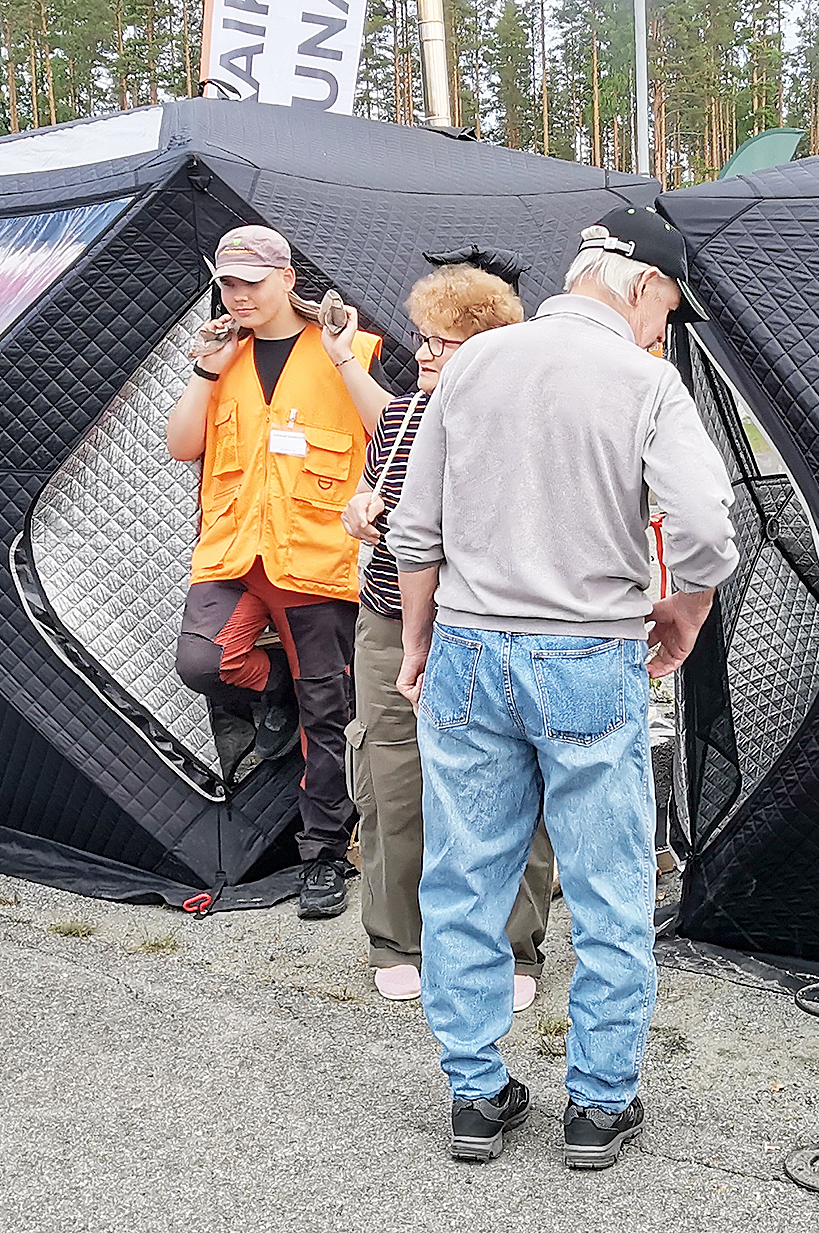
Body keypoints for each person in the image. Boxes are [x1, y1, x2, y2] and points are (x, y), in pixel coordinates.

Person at [387, 205, 737, 1168]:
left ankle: (473, 1092)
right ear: (644, 286)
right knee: (607, 884)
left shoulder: (472, 365)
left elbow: (415, 528)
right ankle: (598, 1103)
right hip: (588, 653)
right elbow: (706, 525)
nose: (665, 331)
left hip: (465, 645)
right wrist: (686, 609)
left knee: (463, 874)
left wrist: (418, 642)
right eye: (668, 311)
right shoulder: (645, 379)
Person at [337, 261, 555, 1008]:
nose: (424, 354)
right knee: (390, 777)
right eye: (424, 339)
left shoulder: (528, 423)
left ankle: (515, 950)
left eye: (444, 343)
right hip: (389, 619)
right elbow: (373, 492)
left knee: (507, 785)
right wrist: (357, 511)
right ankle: (398, 938)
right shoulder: (401, 413)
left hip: (485, 628)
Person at [166, 224, 382, 920]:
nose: (238, 295)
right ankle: (276, 682)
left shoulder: (347, 347)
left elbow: (390, 432)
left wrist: (347, 360)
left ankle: (321, 853)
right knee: (203, 661)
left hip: (315, 558)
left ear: (287, 278)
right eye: (228, 283)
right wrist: (204, 369)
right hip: (234, 551)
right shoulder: (221, 355)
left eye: (251, 282)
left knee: (331, 715)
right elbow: (181, 446)